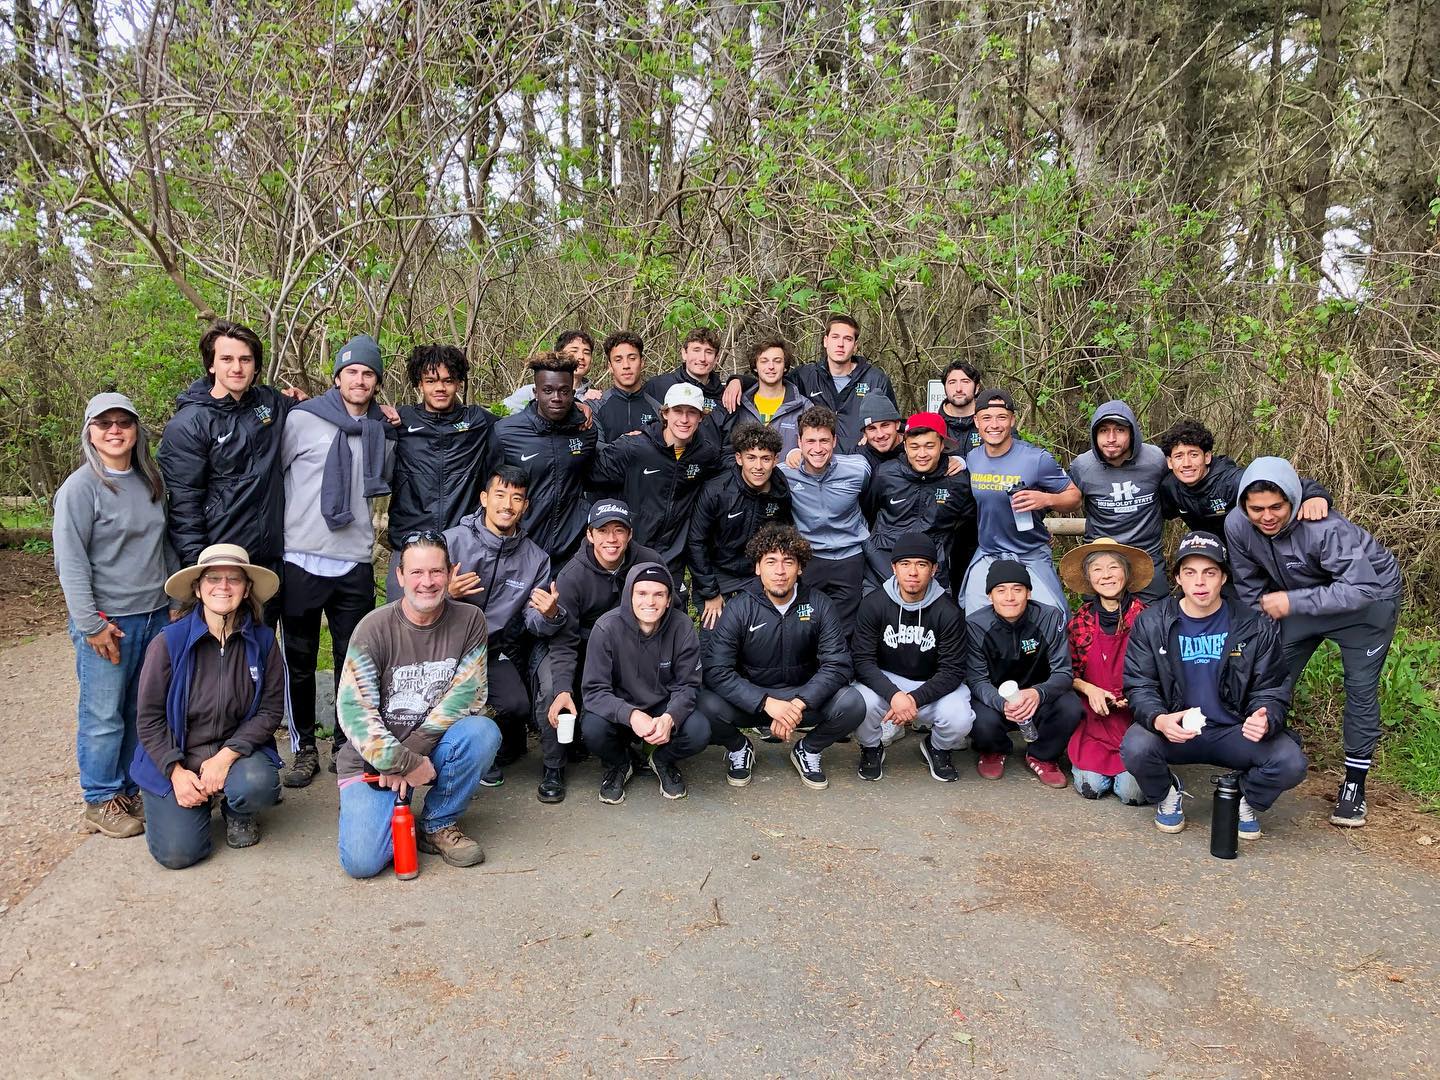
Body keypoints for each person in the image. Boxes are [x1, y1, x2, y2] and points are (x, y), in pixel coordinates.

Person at [1225, 458, 1402, 827]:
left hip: (1367, 602)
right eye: (1257, 509)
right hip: (1302, 598)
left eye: (1277, 507)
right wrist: (1259, 637)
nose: (1267, 517)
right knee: (1270, 674)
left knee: (1360, 688)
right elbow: (1249, 587)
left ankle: (1354, 784)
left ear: (1293, 499)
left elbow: (1362, 588)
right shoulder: (1237, 525)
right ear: (1244, 505)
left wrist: (1293, 602)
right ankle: (1263, 756)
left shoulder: (1324, 528)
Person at [1121, 532, 1307, 838]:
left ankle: (1242, 796)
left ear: (1223, 577)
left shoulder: (1253, 624)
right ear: (1178, 578)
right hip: (1177, 728)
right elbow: (1140, 684)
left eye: (1210, 573)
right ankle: (1167, 793)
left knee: (1290, 761)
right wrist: (1159, 718)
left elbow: (1272, 687)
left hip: (1233, 730)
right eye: (1190, 573)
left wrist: (1265, 716)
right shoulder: (1152, 622)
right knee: (1136, 747)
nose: (1200, 582)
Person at [335, 532, 500, 877]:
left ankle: (438, 822)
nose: (427, 582)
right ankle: (382, 809)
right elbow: (355, 713)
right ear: (399, 576)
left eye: (436, 571)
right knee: (363, 863)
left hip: (432, 749)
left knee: (481, 732)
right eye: (416, 572)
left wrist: (411, 756)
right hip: (374, 760)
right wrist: (399, 762)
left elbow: (468, 695)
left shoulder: (470, 620)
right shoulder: (373, 628)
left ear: (450, 573)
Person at [53, 392, 173, 839]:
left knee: (139, 707)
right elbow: (70, 562)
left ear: (137, 431)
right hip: (109, 622)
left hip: (155, 614)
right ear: (90, 432)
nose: (115, 430)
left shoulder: (150, 481)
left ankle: (128, 789)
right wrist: (91, 624)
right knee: (103, 714)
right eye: (105, 423)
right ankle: (100, 797)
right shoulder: (80, 488)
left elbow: (163, 546)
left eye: (124, 422)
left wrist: (175, 599)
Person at [279, 335, 396, 787]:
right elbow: (276, 475)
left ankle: (347, 743)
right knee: (300, 659)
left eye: (368, 373)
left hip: (354, 561)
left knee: (354, 661)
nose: (359, 380)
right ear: (337, 378)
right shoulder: (301, 419)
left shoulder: (382, 429)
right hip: (301, 556)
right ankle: (304, 747)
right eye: (351, 372)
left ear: (376, 382)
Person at [132, 545, 286, 867]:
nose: (223, 586)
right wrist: (175, 772)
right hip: (179, 754)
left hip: (235, 751)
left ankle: (236, 808)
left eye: (234, 579)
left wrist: (225, 757)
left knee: (258, 784)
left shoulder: (263, 641)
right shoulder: (168, 643)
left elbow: (270, 710)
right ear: (198, 589)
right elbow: (149, 718)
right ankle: (188, 802)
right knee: (179, 854)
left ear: (247, 590)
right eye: (213, 578)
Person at [429, 466, 568, 786]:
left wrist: (549, 614)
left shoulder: (535, 558)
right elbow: (413, 599)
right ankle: (448, 752)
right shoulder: (451, 541)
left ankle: (484, 746)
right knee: (442, 700)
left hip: (489, 650)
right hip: (439, 647)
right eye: (500, 495)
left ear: (525, 506)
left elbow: (533, 620)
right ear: (484, 498)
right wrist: (446, 594)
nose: (507, 505)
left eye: (516, 498)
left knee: (516, 705)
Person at [698, 525, 864, 790]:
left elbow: (838, 664)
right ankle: (739, 747)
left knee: (853, 702)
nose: (780, 571)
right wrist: (765, 702)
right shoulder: (740, 608)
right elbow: (717, 669)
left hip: (803, 698)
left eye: (788, 562)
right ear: (757, 568)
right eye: (771, 561)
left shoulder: (820, 604)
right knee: (703, 704)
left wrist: (798, 704)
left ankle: (808, 749)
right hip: (752, 701)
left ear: (800, 568)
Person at [157, 320, 300, 619]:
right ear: (211, 365)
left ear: (256, 366)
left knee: (263, 644)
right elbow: (184, 506)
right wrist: (199, 569)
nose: (237, 368)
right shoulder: (189, 424)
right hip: (221, 563)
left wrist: (382, 414)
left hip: (267, 564)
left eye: (245, 359)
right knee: (222, 645)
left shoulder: (269, 403)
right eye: (227, 359)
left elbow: (318, 410)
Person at [536, 500, 662, 803]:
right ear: (590, 535)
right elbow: (564, 641)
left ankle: (640, 750)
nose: (611, 539)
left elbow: (670, 614)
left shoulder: (649, 561)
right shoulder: (573, 575)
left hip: (634, 647)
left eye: (619, 530)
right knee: (553, 688)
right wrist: (564, 687)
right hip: (581, 647)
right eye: (603, 531)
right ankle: (554, 765)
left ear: (630, 535)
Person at [581, 563, 708, 803]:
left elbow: (688, 685)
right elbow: (595, 691)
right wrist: (630, 715)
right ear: (629, 596)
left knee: (699, 730)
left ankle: (662, 759)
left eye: (659, 594)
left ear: (669, 600)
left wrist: (670, 717)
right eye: (642, 593)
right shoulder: (606, 627)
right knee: (592, 728)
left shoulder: (682, 626)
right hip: (621, 708)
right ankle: (620, 763)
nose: (650, 601)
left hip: (663, 707)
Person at [850, 534, 972, 783]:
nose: (913, 572)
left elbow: (952, 671)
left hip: (931, 684)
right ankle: (871, 747)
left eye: (921, 564)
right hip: (887, 681)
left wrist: (913, 699)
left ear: (934, 569)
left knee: (960, 717)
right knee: (858, 703)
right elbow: (862, 662)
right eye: (905, 564)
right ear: (894, 567)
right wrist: (895, 695)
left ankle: (937, 747)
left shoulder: (948, 611)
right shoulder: (874, 603)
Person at [588, 382, 722, 585]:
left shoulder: (706, 455)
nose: (684, 419)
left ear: (701, 417)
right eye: (678, 411)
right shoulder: (634, 447)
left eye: (692, 412)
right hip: (628, 553)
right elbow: (589, 476)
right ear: (665, 413)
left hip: (672, 558)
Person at [961, 389, 1081, 614]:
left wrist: (1046, 499)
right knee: (974, 618)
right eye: (986, 418)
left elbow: (1074, 498)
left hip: (1030, 552)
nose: (994, 425)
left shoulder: (1037, 459)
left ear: (1012, 420)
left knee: (1055, 616)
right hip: (988, 552)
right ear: (976, 422)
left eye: (1001, 417)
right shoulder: (973, 458)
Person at [964, 560, 1082, 786]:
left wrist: (1038, 693)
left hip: (1037, 697)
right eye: (1001, 590)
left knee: (1071, 707)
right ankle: (994, 750)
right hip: (996, 700)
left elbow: (1063, 672)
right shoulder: (975, 625)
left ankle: (1042, 755)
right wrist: (1001, 703)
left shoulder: (1049, 617)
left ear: (1028, 593)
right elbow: (977, 679)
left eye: (1017, 589)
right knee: (977, 717)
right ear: (990, 596)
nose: (1009, 597)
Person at [1057, 538, 1151, 803]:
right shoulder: (1081, 621)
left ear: (1127, 573)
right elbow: (1066, 672)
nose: (1106, 575)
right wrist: (1089, 689)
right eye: (1097, 569)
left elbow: (1162, 674)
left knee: (1131, 793)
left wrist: (1135, 695)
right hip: (1094, 721)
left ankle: (1156, 772)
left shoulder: (1147, 618)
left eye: (1113, 567)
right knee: (1092, 787)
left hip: (1135, 720)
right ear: (1089, 578)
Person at [387, 344, 496, 554]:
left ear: (459, 383)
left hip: (463, 543)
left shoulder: (477, 421)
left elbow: (520, 427)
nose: (440, 388)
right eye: (431, 381)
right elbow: (357, 417)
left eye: (448, 381)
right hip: (408, 541)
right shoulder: (401, 420)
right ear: (419, 384)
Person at [688, 423, 793, 640]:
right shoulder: (717, 491)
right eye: (751, 457)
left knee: (761, 639)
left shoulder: (779, 490)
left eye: (765, 458)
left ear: (775, 460)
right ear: (739, 458)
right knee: (716, 641)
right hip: (717, 574)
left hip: (755, 575)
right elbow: (696, 542)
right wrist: (711, 593)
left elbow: (783, 536)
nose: (758, 466)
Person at [492, 352, 599, 563]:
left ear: (573, 393)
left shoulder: (585, 431)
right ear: (535, 392)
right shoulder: (506, 432)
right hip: (520, 548)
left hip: (572, 551)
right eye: (548, 390)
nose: (556, 398)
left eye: (564, 391)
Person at [1157, 419, 1332, 535]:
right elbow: (1154, 513)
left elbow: (1281, 482)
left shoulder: (1232, 481)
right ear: (1170, 462)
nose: (1186, 463)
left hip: (1249, 551)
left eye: (1194, 455)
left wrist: (1313, 496)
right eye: (1179, 456)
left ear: (1207, 457)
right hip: (1213, 558)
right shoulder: (1170, 487)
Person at [780, 406, 871, 626]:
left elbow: (872, 501)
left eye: (824, 441)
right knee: (806, 624)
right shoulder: (784, 474)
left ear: (834, 441)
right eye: (810, 441)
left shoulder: (858, 470)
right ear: (799, 442)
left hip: (850, 557)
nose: (818, 448)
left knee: (845, 628)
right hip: (808, 557)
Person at [863, 412, 975, 589]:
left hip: (935, 570)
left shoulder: (958, 482)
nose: (922, 454)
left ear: (942, 445)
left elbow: (965, 523)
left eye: (929, 446)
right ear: (905, 446)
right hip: (882, 566)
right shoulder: (885, 474)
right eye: (914, 447)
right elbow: (868, 511)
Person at [789, 314, 896, 452]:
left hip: (862, 460)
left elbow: (894, 426)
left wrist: (872, 439)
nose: (840, 344)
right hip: (817, 459)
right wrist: (793, 450)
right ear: (825, 341)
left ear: (855, 346)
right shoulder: (804, 377)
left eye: (847, 339)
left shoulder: (876, 380)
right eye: (835, 337)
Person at [720, 337, 806, 455]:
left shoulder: (803, 407)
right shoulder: (738, 403)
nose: (771, 366)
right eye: (764, 361)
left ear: (785, 366)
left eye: (777, 361)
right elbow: (726, 449)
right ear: (755, 366)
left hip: (788, 468)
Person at [501, 330, 604, 412]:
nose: (581, 356)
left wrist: (593, 403)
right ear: (559, 355)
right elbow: (499, 415)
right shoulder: (530, 393)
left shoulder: (594, 397)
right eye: (574, 351)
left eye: (586, 353)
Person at [644, 327, 728, 423]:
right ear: (684, 353)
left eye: (709, 352)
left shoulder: (725, 396)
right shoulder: (657, 386)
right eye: (696, 350)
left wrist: (738, 380)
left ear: (716, 358)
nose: (702, 358)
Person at [593, 330, 662, 444]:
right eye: (618, 360)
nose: (626, 365)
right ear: (610, 366)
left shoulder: (658, 410)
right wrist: (627, 444)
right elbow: (596, 448)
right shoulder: (595, 407)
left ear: (642, 362)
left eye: (632, 358)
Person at [938, 360, 984, 454]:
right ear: (945, 388)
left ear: (977, 388)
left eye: (965, 382)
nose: (958, 389)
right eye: (952, 382)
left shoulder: (991, 424)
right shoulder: (933, 426)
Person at [856, 398, 906, 471]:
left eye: (885, 425)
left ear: (897, 424)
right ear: (864, 433)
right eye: (872, 428)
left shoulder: (917, 449)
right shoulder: (858, 459)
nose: (880, 435)